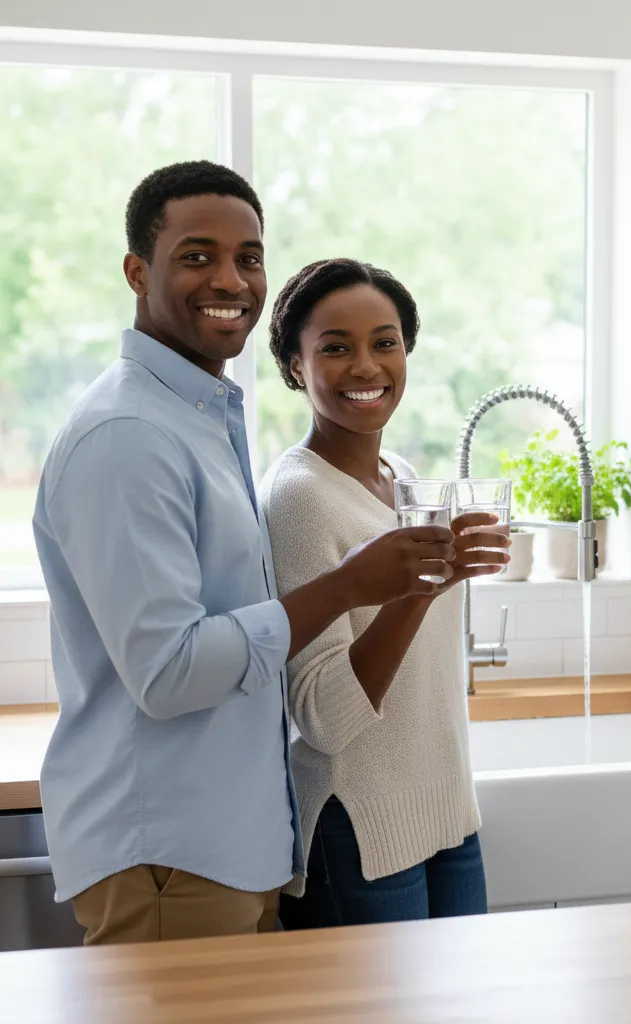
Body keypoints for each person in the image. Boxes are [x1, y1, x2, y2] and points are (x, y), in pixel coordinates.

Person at [31, 162, 457, 946]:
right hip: (168, 852)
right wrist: (349, 585)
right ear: (137, 271)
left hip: (222, 845)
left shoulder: (198, 416)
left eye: (248, 257)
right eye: (197, 255)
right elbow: (169, 673)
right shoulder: (129, 436)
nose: (230, 278)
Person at [259, 258, 509, 927]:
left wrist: (447, 572)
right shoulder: (299, 498)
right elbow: (323, 719)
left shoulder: (403, 478)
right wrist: (417, 592)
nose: (367, 366)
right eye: (335, 348)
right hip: (360, 830)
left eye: (385, 342)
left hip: (447, 812)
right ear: (293, 366)